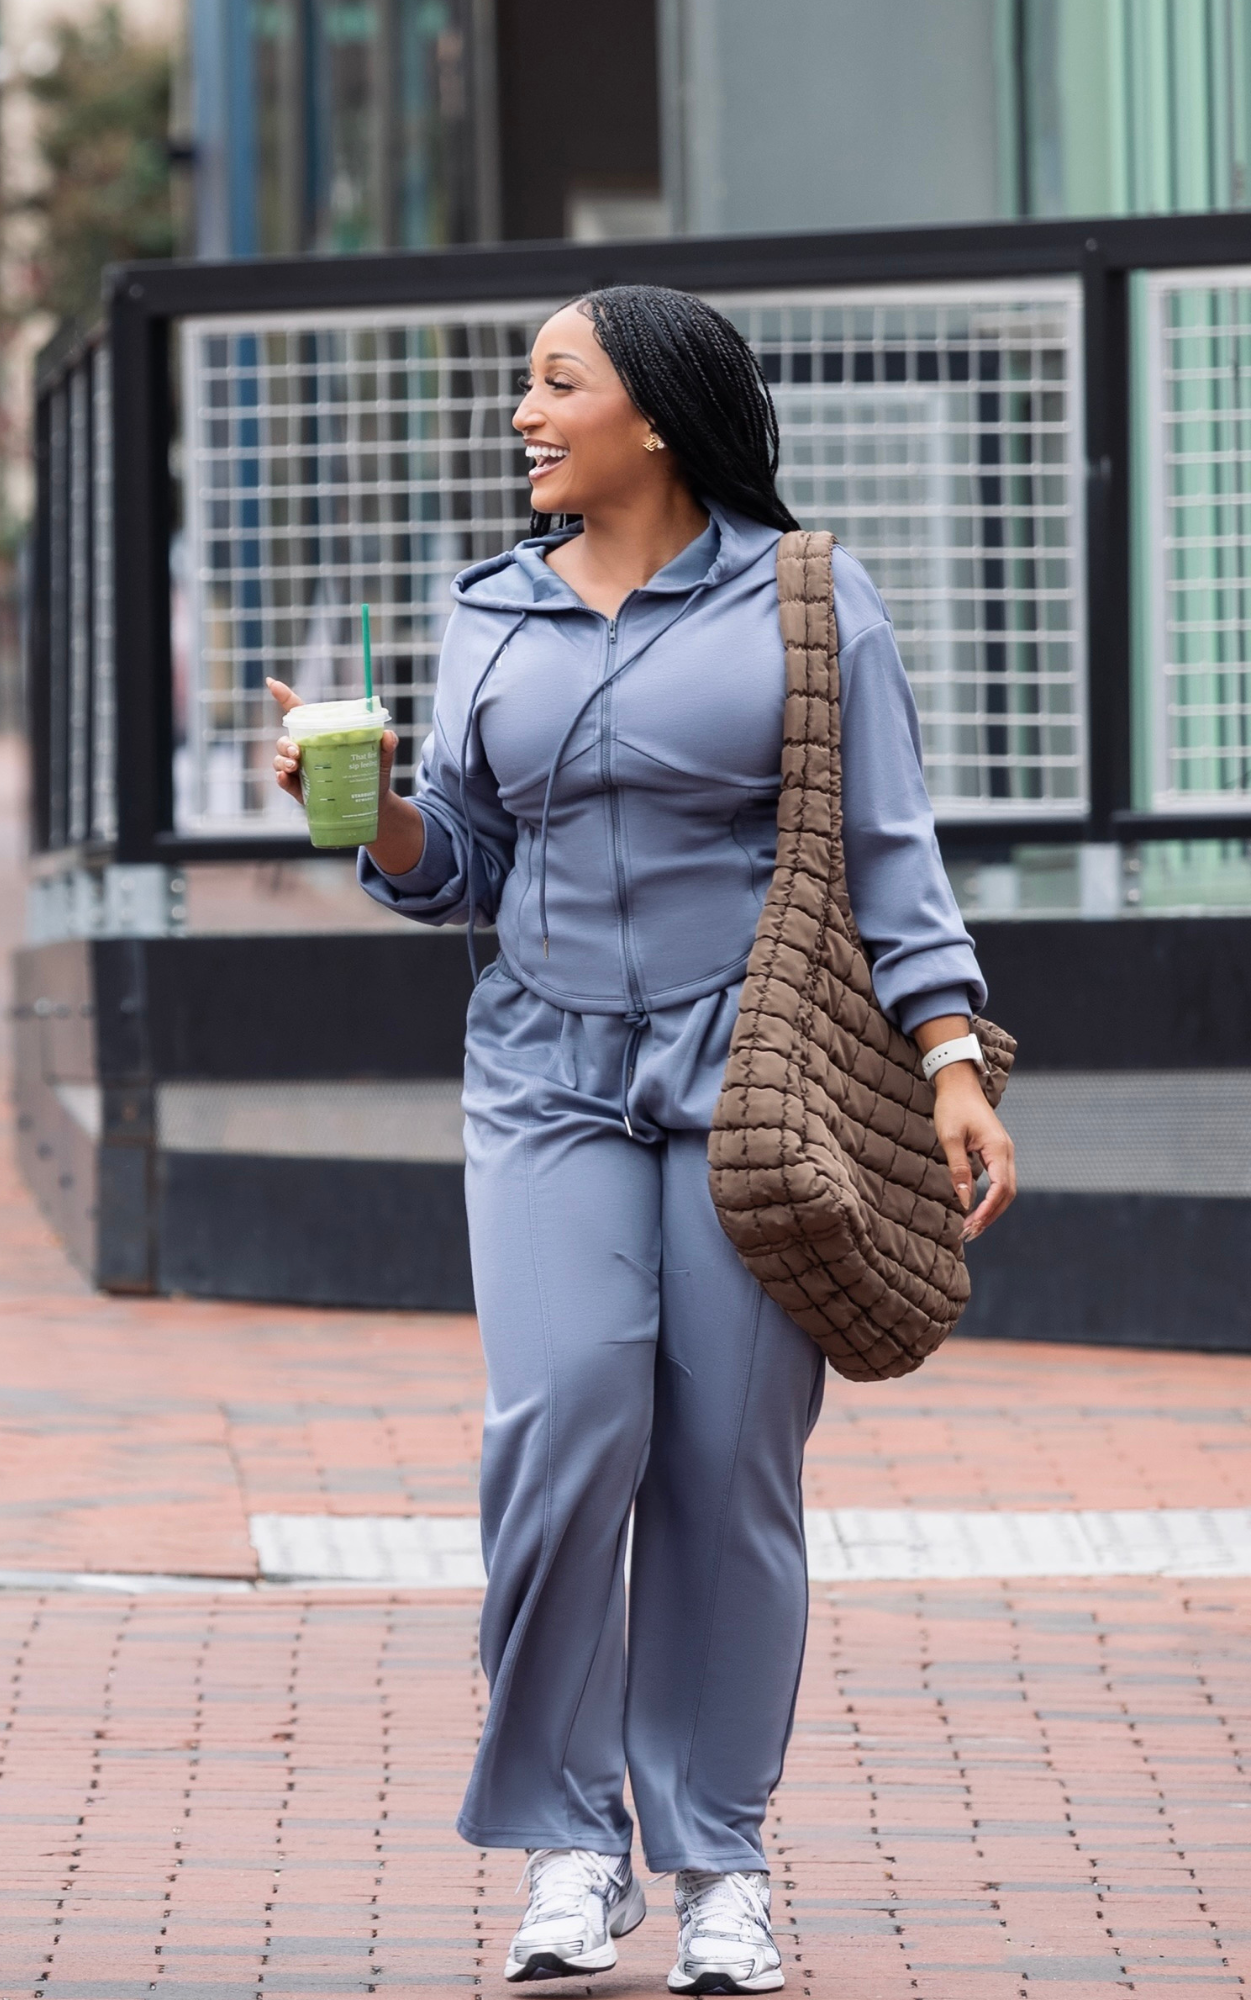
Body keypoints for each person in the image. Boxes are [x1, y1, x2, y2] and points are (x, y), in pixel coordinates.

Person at [270, 286, 1017, 1996]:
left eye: (555, 384)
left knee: (723, 1472)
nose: (521, 415)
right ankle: (566, 1842)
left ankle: (720, 1861)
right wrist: (371, 805)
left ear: (659, 417)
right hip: (543, 1071)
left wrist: (953, 1056)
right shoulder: (489, 615)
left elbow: (890, 850)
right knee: (563, 1429)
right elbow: (459, 865)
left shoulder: (807, 603)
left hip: (751, 1081)